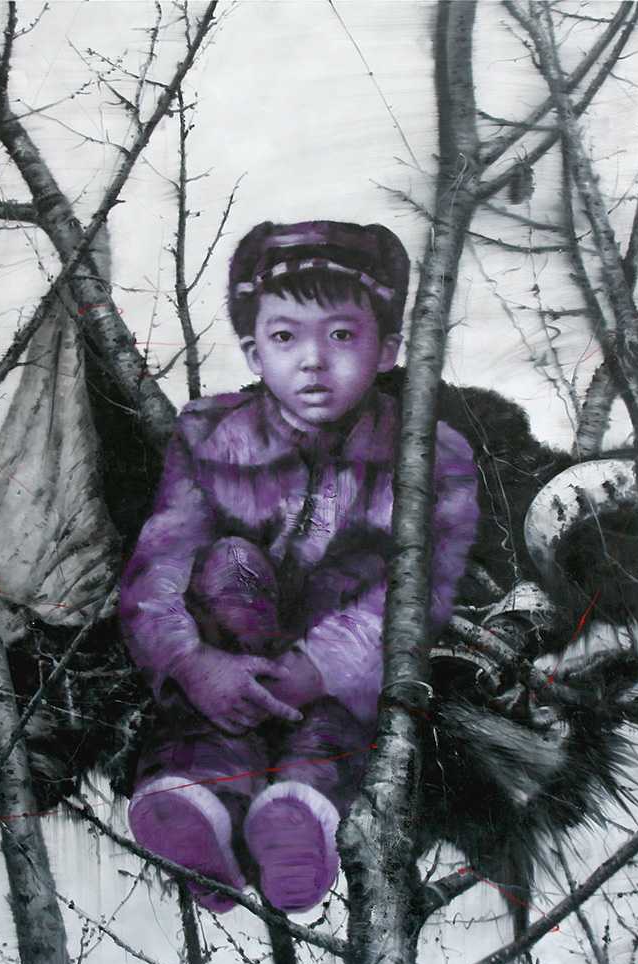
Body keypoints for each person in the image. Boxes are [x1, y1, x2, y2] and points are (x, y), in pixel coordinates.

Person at [118, 220, 482, 914]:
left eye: (342, 335)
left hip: (341, 667)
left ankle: (300, 812)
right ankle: (202, 807)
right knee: (226, 564)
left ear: (388, 349)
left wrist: (318, 667)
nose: (313, 361)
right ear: (254, 353)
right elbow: (160, 560)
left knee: (360, 652)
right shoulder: (209, 436)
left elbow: (426, 589)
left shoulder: (432, 454)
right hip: (235, 643)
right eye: (286, 338)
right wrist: (192, 662)